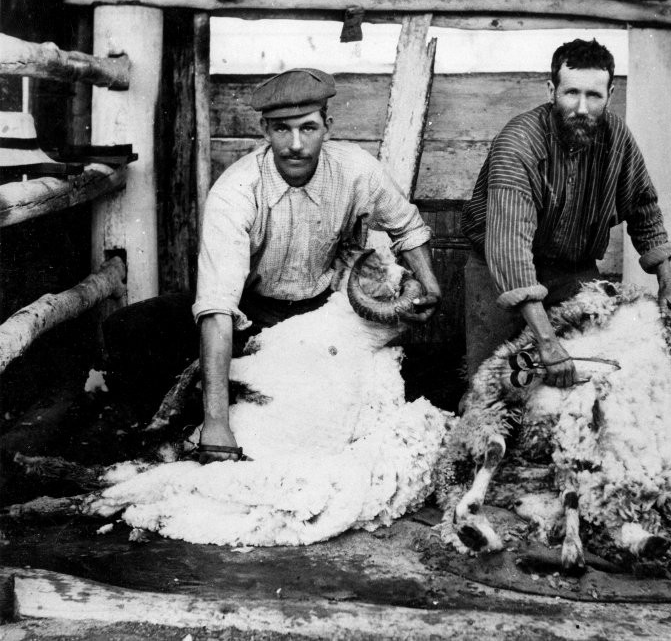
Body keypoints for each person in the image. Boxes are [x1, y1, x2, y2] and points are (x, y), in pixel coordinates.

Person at [105, 68, 441, 463]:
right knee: (128, 328)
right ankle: (150, 442)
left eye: (308, 128)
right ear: (264, 130)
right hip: (249, 312)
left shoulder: (355, 169)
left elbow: (408, 226)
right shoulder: (236, 190)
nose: (296, 144)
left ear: (328, 127)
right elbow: (217, 306)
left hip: (320, 312)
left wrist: (431, 286)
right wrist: (217, 425)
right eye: (282, 129)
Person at [461, 39, 671, 387]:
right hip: (501, 273)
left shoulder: (617, 137)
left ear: (610, 94)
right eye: (571, 93)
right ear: (551, 90)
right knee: (494, 386)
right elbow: (510, 250)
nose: (582, 107)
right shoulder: (518, 144)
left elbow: (643, 208)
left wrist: (669, 284)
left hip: (574, 270)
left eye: (594, 95)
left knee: (586, 383)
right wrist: (547, 342)